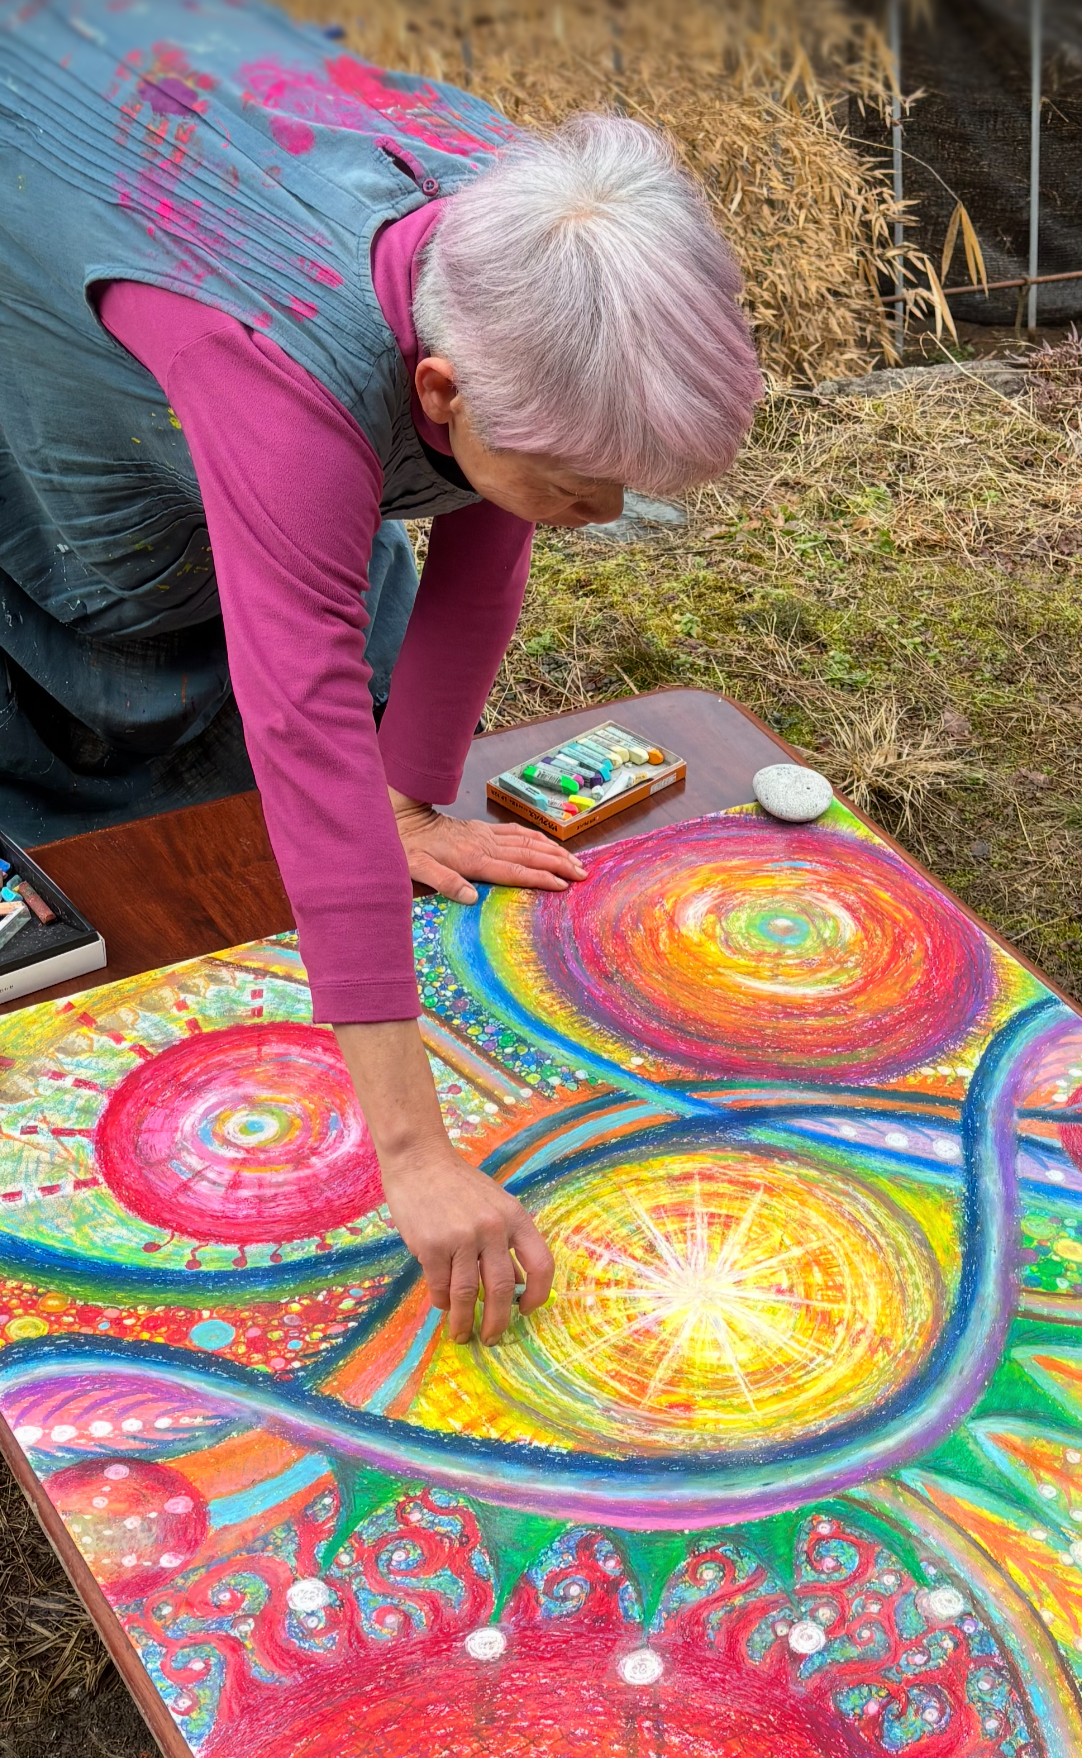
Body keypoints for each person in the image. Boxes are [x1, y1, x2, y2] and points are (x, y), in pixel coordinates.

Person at [0, 0, 763, 1348]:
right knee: (93, 852)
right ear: (440, 393)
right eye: (579, 490)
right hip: (69, 245)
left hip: (211, 197)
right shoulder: (272, 373)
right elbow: (302, 730)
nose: (599, 519)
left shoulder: (530, 243)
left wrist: (407, 801)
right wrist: (411, 1151)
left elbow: (490, 535)